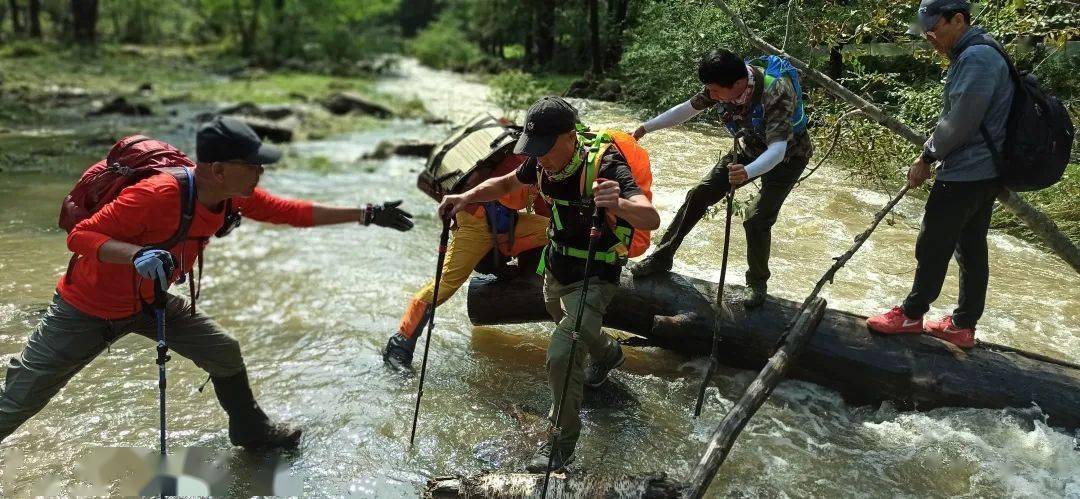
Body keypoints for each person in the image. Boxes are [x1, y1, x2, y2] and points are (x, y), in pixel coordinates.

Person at [0, 116, 414, 448]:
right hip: (85, 309)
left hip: (150, 303)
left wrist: (367, 213)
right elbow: (81, 236)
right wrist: (137, 255)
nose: (260, 171)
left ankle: (250, 429)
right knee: (19, 402)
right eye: (252, 165)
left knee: (224, 352)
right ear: (217, 169)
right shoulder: (156, 194)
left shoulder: (230, 196)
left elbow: (292, 212)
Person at [437, 97, 660, 472]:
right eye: (533, 149)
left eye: (544, 149)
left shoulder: (605, 165)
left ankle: (560, 446)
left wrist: (619, 203)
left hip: (596, 272)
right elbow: (507, 182)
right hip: (556, 267)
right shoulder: (541, 163)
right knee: (561, 317)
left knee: (563, 352)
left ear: (570, 137)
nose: (539, 158)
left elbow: (650, 218)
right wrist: (465, 196)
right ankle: (608, 355)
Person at [866, 0, 1011, 349]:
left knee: (933, 244)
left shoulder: (977, 58)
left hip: (966, 171)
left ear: (958, 19)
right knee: (971, 246)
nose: (930, 38)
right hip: (985, 169)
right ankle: (962, 325)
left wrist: (927, 157)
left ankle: (911, 315)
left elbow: (960, 121)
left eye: (934, 29)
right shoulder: (983, 50)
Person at [629, 49, 814, 308]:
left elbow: (778, 150)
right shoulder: (722, 85)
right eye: (710, 90)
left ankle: (757, 283)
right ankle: (662, 256)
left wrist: (747, 172)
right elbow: (687, 109)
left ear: (738, 84)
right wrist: (646, 127)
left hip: (788, 157)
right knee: (700, 194)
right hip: (749, 147)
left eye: (715, 91)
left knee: (756, 218)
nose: (711, 95)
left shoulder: (777, 92)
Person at [382, 156, 550, 372]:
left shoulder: (550, 161)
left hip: (503, 221)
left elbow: (544, 209)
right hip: (475, 220)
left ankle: (511, 269)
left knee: (552, 229)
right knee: (445, 284)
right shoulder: (529, 160)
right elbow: (506, 189)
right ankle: (399, 344)